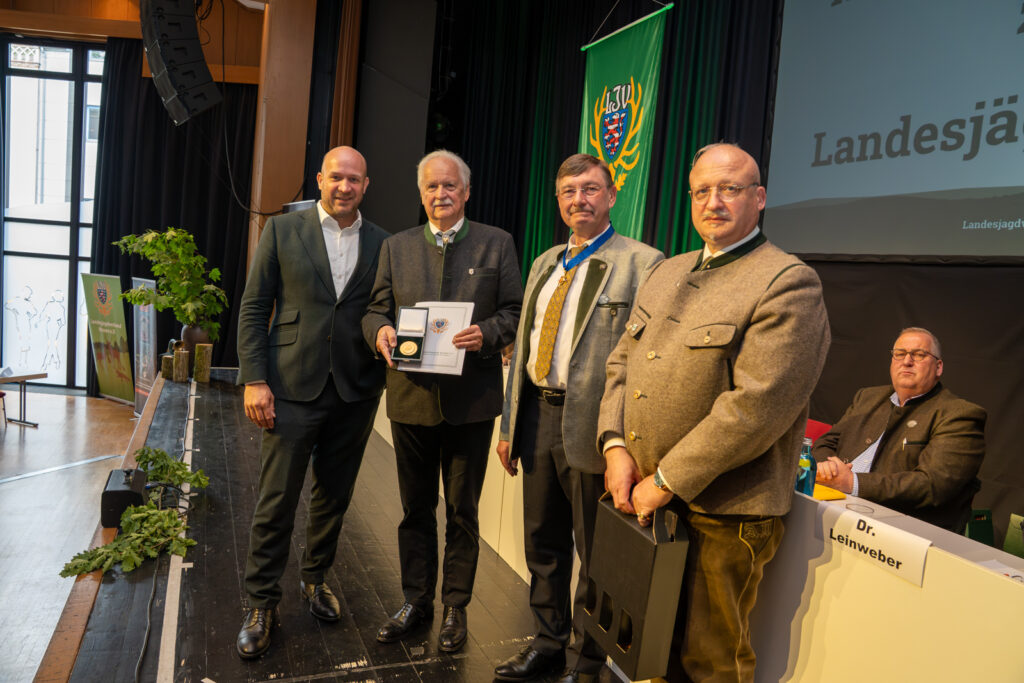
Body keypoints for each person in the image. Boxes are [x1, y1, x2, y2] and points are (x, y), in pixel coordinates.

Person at [596, 143, 830, 682]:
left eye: (730, 189)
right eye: (702, 190)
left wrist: (666, 479)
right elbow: (621, 362)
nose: (714, 202)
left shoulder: (788, 282)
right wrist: (614, 446)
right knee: (644, 651)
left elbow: (756, 407)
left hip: (724, 512)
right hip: (643, 493)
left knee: (709, 661)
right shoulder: (666, 271)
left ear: (760, 198)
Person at [493, 154, 663, 683]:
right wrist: (508, 425)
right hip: (538, 419)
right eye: (568, 191)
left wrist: (627, 443)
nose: (578, 200)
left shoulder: (643, 264)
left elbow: (646, 362)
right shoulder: (545, 262)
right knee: (542, 544)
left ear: (612, 196)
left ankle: (589, 660)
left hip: (596, 429)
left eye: (590, 189)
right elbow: (522, 348)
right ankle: (547, 642)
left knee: (596, 555)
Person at [361, 149, 522, 653]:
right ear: (421, 192)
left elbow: (517, 312)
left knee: (462, 512)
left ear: (466, 192)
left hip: (470, 403)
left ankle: (455, 606)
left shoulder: (497, 243)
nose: (440, 194)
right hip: (410, 401)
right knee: (414, 510)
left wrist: (489, 333)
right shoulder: (397, 247)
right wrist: (381, 332)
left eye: (450, 186)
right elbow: (373, 311)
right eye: (431, 187)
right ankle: (416, 601)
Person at [235, 146, 388, 659]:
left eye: (355, 180)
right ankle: (261, 602)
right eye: (336, 177)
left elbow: (383, 312)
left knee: (334, 496)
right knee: (276, 498)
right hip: (290, 386)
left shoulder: (383, 244)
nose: (345, 187)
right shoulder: (281, 230)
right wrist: (254, 379)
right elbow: (255, 306)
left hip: (355, 389)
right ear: (320, 179)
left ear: (366, 185)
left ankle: (315, 578)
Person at [814, 327, 986, 532]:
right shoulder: (867, 397)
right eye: (900, 354)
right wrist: (828, 469)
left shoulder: (959, 414)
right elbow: (826, 443)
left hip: (902, 532)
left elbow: (933, 485)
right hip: (835, 509)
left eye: (919, 355)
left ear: (938, 367)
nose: (907, 361)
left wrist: (852, 482)